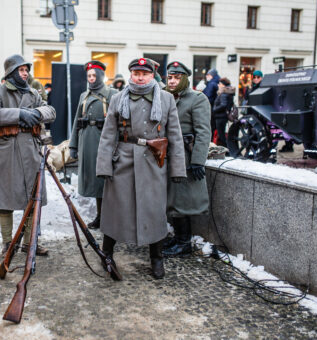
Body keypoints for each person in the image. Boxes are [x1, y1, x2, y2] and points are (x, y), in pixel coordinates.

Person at [96, 57, 186, 279]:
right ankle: (106, 252)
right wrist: (104, 166)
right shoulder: (118, 98)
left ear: (152, 75)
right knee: (116, 209)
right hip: (124, 159)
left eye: (144, 73)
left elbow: (174, 135)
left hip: (154, 161)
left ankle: (156, 258)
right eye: (136, 73)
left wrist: (177, 169)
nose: (140, 77)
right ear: (131, 75)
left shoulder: (165, 99)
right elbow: (108, 135)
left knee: (154, 210)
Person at [0, 54, 56, 256]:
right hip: (6, 151)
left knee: (33, 198)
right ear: (11, 72)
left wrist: (38, 114)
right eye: (21, 70)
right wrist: (19, 114)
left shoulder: (33, 93)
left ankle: (28, 242)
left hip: (30, 150)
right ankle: (8, 243)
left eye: (26, 70)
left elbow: (51, 110)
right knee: (5, 200)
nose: (25, 74)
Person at [163, 61, 211, 257]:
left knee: (182, 200)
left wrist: (198, 160)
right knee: (171, 199)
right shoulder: (166, 97)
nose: (172, 81)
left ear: (185, 78)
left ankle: (184, 242)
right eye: (170, 77)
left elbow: (203, 132)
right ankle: (177, 238)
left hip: (185, 156)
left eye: (177, 77)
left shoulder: (197, 99)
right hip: (167, 154)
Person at [69, 60, 117, 229]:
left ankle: (109, 217)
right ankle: (100, 216)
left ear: (101, 76)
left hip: (104, 142)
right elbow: (76, 121)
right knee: (95, 182)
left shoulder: (112, 94)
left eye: (94, 75)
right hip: (87, 142)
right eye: (88, 75)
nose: (91, 78)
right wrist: (73, 145)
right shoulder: (84, 95)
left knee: (105, 181)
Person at [212, 77, 235, 147]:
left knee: (221, 135)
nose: (218, 85)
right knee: (221, 134)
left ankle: (227, 148)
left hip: (221, 116)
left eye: (220, 84)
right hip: (222, 116)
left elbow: (223, 105)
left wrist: (214, 109)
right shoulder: (226, 93)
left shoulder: (224, 93)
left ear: (223, 85)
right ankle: (227, 148)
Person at [203, 69, 220, 138]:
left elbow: (207, 96)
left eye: (208, 75)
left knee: (210, 126)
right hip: (213, 108)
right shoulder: (214, 83)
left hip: (211, 108)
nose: (207, 76)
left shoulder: (212, 84)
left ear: (212, 76)